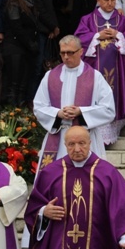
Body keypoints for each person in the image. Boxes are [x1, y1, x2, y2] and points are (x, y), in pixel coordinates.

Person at [76, 0, 125, 144]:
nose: (110, 3)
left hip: (117, 72)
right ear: (99, 0)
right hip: (95, 70)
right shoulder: (87, 19)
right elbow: (78, 40)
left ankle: (112, 133)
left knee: (114, 97)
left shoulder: (123, 21)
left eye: (113, 0)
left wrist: (119, 36)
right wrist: (97, 36)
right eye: (106, 0)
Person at [33, 35, 115, 165]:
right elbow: (38, 107)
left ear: (81, 52)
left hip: (85, 137)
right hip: (59, 138)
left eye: (70, 52)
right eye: (63, 53)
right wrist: (58, 114)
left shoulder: (95, 77)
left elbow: (109, 109)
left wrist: (81, 112)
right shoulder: (50, 76)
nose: (66, 57)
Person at [3, 0, 39, 106]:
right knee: (14, 83)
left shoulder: (29, 4)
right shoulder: (14, 4)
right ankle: (11, 112)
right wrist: (30, 43)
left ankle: (20, 111)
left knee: (23, 82)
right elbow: (16, 27)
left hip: (25, 48)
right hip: (14, 47)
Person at [28, 0, 60, 92]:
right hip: (39, 32)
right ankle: (32, 99)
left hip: (46, 31)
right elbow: (40, 9)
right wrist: (52, 26)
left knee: (45, 67)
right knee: (37, 67)